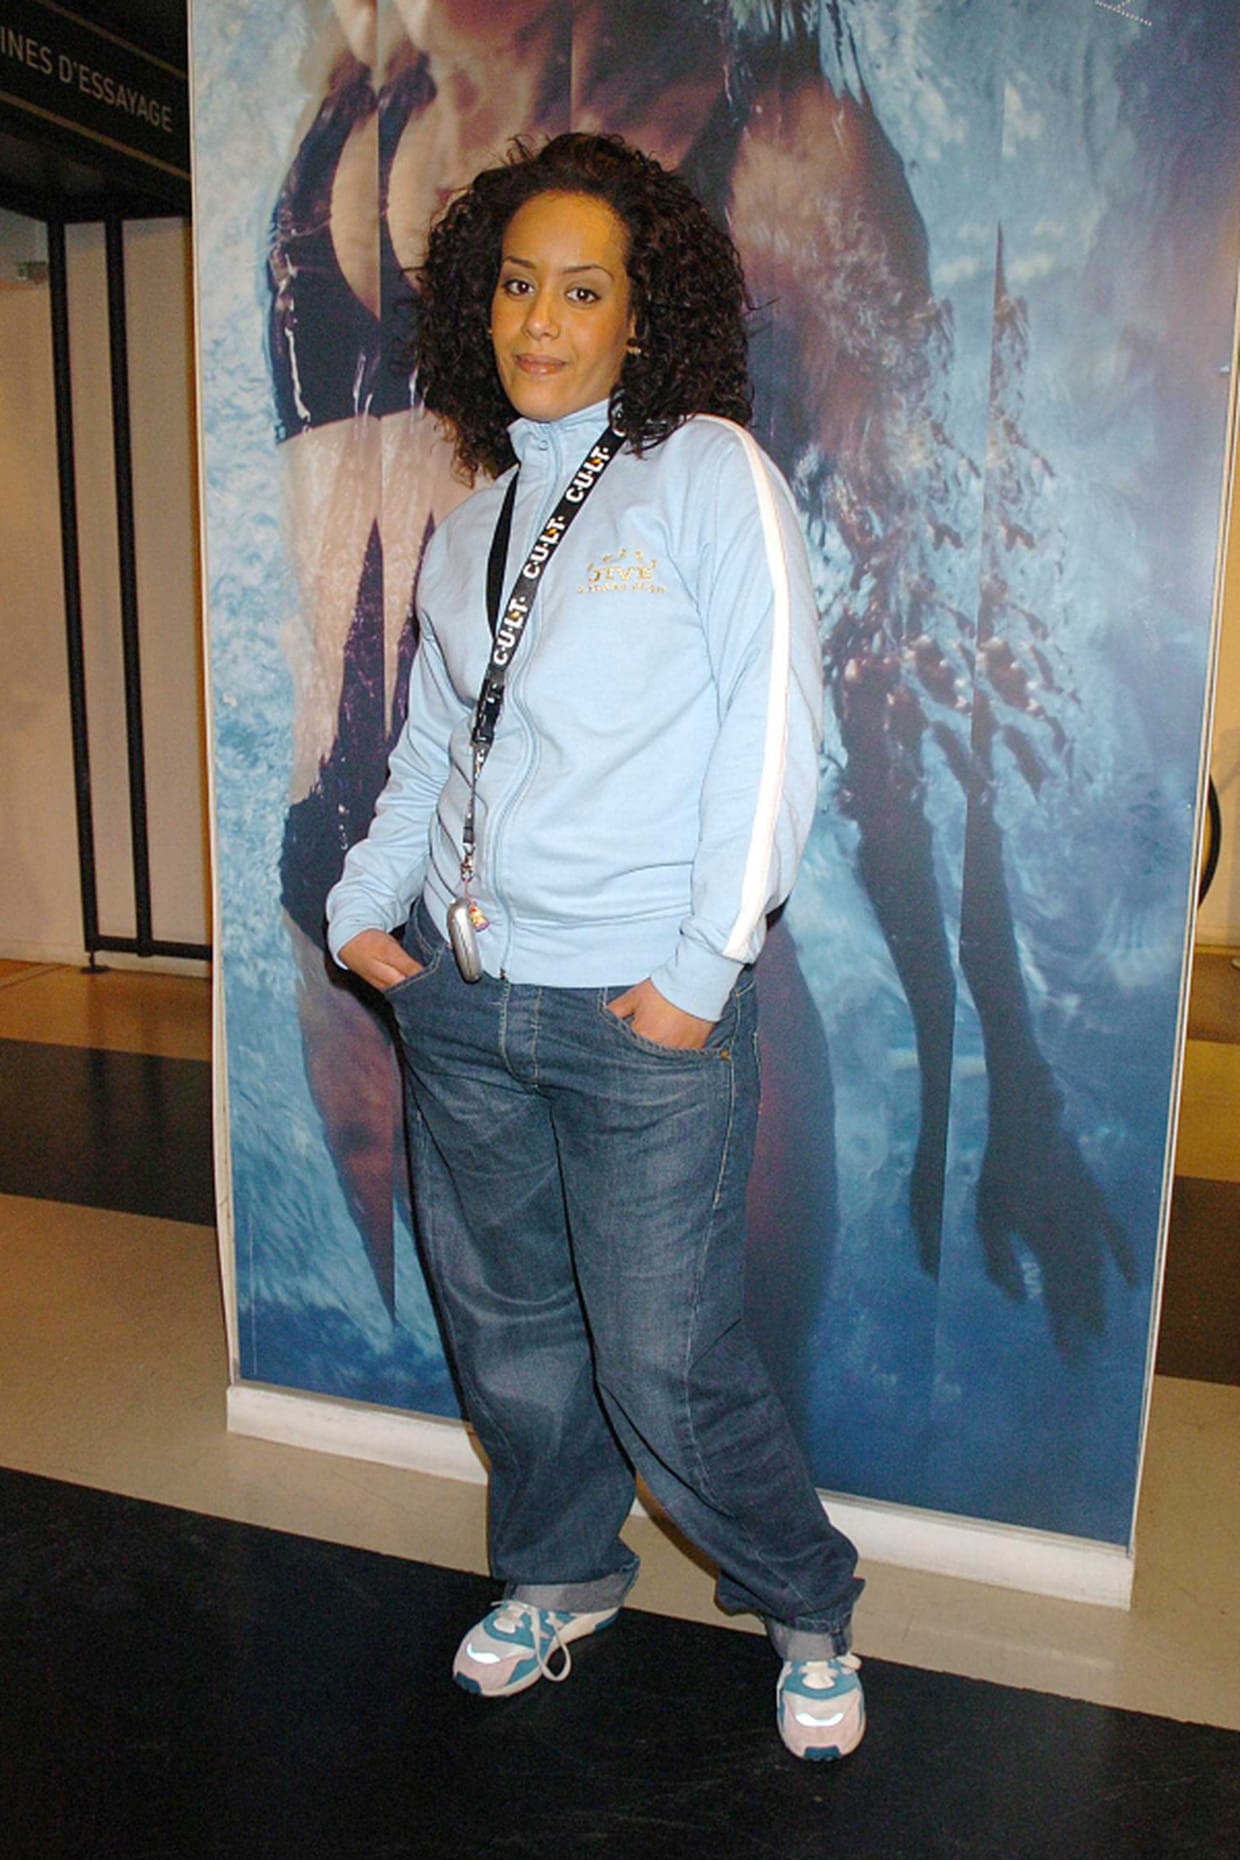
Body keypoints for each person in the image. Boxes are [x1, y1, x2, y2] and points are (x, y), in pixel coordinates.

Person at [325, 131, 866, 1762]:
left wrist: (699, 977)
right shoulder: (474, 525)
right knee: (510, 1342)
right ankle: (561, 1575)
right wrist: (364, 910)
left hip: (640, 1016)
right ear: (477, 305)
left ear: (643, 315)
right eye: (516, 285)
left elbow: (777, 729)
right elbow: (435, 750)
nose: (540, 321)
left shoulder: (706, 473)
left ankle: (809, 1602)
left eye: (582, 290)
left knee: (665, 1363)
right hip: (469, 1006)